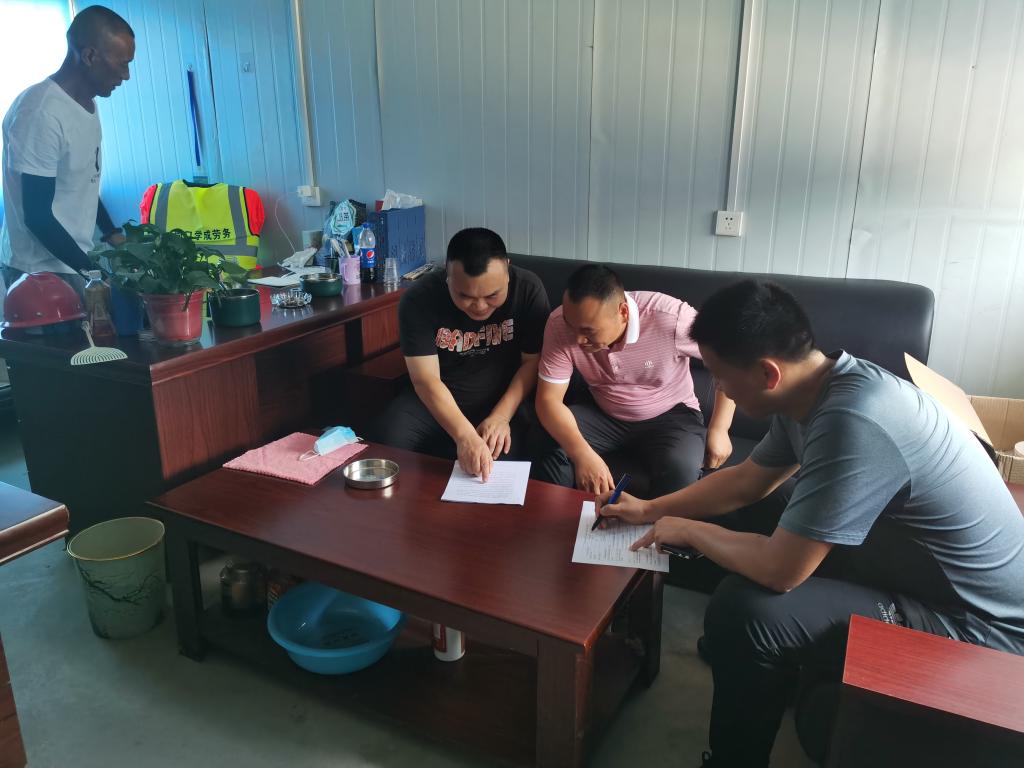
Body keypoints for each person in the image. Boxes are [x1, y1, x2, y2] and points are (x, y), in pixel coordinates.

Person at [599, 280, 1024, 767]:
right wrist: (651, 509)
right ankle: (763, 671)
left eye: (719, 376)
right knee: (776, 504)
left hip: (978, 623)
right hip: (915, 567)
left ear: (767, 372)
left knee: (743, 612)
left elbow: (781, 572)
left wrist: (691, 530)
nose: (718, 389)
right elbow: (747, 482)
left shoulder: (855, 420)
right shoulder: (817, 387)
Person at [533, 264, 736, 497]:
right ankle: (564, 516)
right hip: (603, 413)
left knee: (680, 467)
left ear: (623, 313)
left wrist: (720, 428)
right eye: (572, 326)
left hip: (671, 415)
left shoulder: (670, 319)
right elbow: (548, 400)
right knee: (546, 439)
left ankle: (658, 522)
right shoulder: (558, 324)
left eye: (588, 331)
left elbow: (730, 360)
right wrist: (582, 454)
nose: (578, 339)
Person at [370, 228, 550, 480]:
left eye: (492, 295)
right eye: (464, 296)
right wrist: (464, 435)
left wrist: (501, 417)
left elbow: (532, 363)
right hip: (436, 398)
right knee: (385, 444)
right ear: (447, 275)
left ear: (507, 270)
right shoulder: (420, 298)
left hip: (500, 399)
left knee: (494, 469)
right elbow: (426, 379)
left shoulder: (528, 289)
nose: (480, 306)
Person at [1, 6, 134, 294]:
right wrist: (95, 275)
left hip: (72, 262)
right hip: (39, 272)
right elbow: (37, 216)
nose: (126, 75)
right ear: (89, 56)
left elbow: (81, 180)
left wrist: (112, 233)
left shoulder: (87, 104)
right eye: (122, 64)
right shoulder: (40, 112)